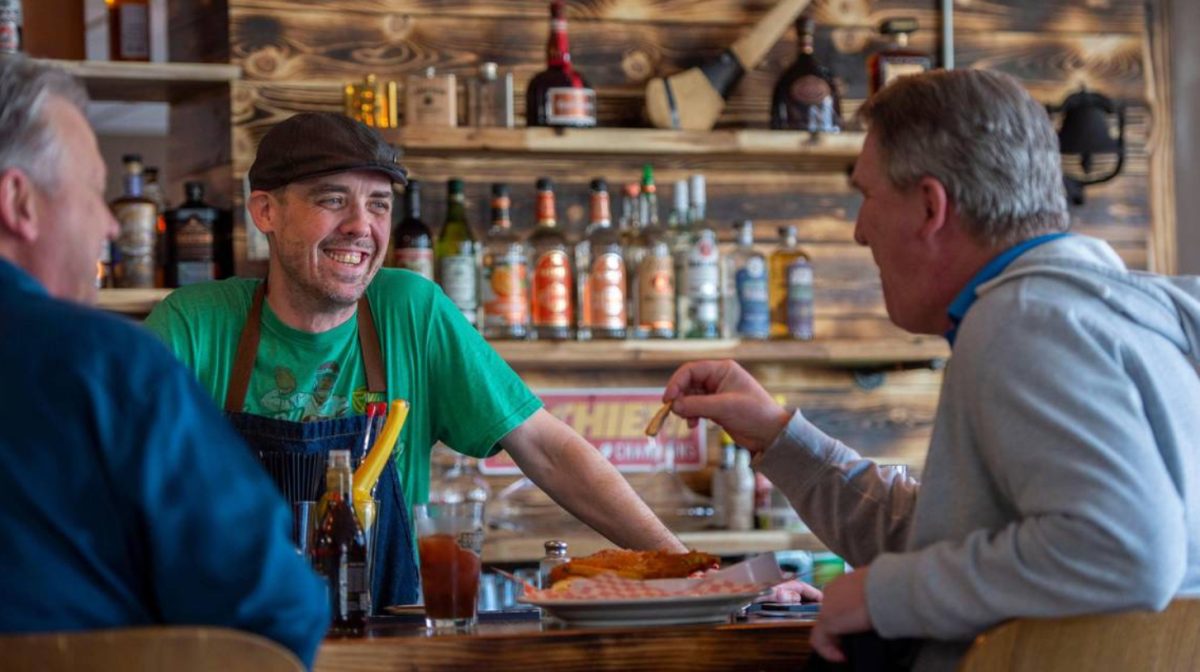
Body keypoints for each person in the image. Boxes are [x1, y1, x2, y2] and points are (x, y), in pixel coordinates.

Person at [663, 69, 1200, 671]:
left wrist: (882, 594)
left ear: (929, 206)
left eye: (866, 196)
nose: (859, 230)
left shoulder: (1022, 320)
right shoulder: (1131, 314)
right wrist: (779, 437)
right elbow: (961, 543)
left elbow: (1126, 552)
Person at [144, 111, 689, 609]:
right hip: (236, 648)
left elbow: (548, 450)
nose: (362, 226)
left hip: (391, 642)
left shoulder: (410, 309)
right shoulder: (194, 326)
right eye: (332, 200)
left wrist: (683, 571)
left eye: (378, 204)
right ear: (266, 210)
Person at [0, 56, 328, 666]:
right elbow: (277, 608)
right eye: (94, 195)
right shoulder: (105, 366)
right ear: (19, 201)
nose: (109, 227)